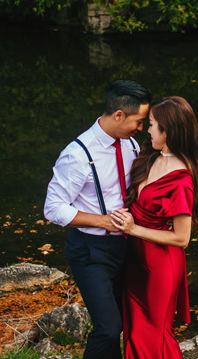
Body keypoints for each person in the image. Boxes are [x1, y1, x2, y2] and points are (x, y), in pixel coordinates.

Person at [43, 80, 151, 359]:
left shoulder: (130, 145)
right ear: (119, 115)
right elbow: (53, 208)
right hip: (90, 251)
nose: (140, 129)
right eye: (138, 122)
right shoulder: (77, 154)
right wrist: (102, 221)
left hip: (126, 247)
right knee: (108, 327)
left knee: (126, 320)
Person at [110, 96, 198, 359]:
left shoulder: (180, 179)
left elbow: (182, 238)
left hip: (160, 265)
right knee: (134, 330)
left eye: (153, 125)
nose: (147, 129)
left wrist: (133, 230)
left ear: (170, 131)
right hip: (136, 260)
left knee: (153, 333)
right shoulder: (152, 157)